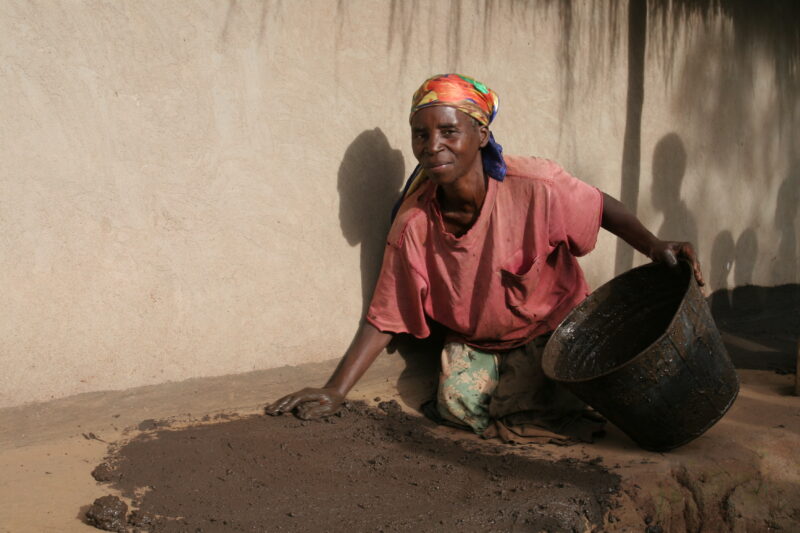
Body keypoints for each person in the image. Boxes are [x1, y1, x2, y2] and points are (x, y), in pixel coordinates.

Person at [266, 74, 703, 443]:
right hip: (478, 344)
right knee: (456, 405)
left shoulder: (535, 185)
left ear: (481, 135)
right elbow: (385, 315)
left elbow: (597, 205)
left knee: (580, 387)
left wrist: (653, 244)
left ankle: (538, 400)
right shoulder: (414, 223)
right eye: (422, 134)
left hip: (554, 329)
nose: (433, 145)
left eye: (449, 131)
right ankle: (526, 404)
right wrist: (336, 389)